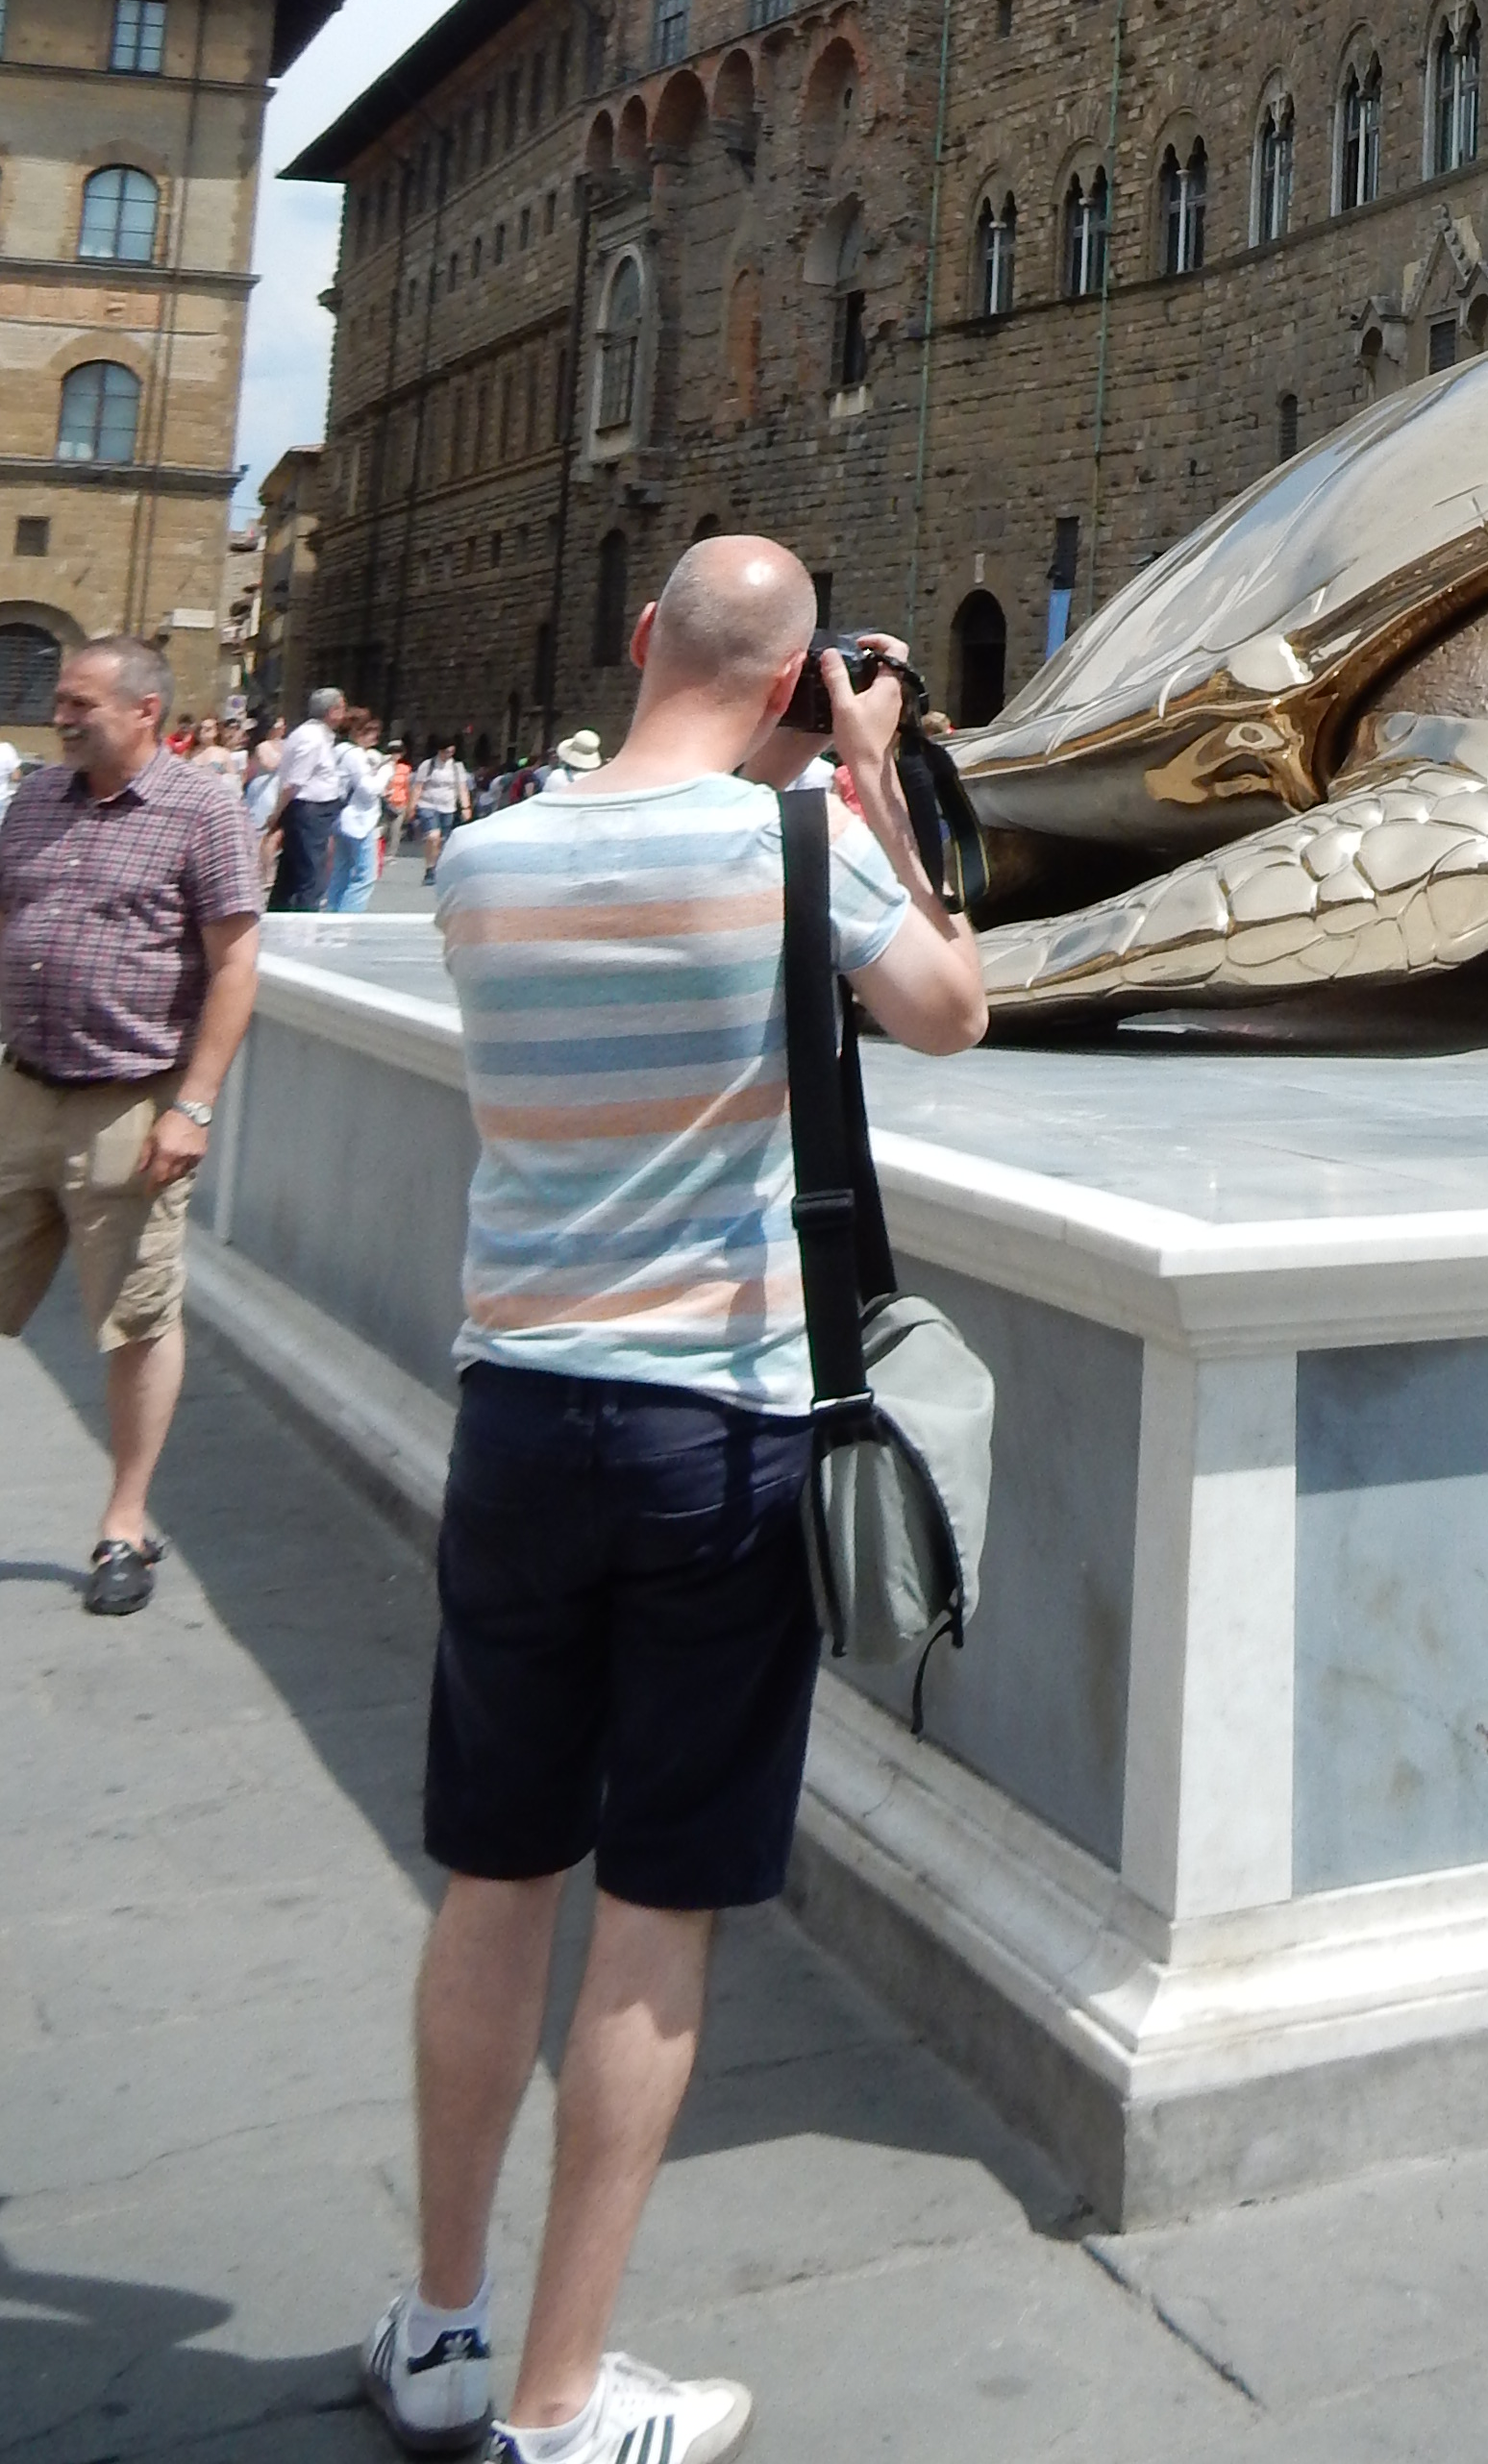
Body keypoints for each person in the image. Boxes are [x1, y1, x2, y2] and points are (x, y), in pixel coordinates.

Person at [364, 537, 987, 2464]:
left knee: (496, 1876)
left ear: (639, 637)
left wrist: (789, 752)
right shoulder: (801, 850)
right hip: (716, 1436)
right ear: (800, 675)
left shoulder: (482, 862)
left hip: (519, 1417)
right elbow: (952, 1009)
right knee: (657, 1907)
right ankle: (562, 2402)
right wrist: (865, 773)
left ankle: (441, 2328)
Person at [0, 635, 263, 1612]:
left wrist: (193, 1106)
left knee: (136, 1322)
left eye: (81, 704)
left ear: (145, 710)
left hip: (131, 1107)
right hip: (18, 1091)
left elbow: (235, 965)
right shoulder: (34, 799)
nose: (61, 717)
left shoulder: (203, 810)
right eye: (60, 700)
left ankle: (123, 1527)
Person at [270, 686, 349, 908]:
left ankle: (280, 914)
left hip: (312, 810)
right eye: (342, 708)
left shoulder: (316, 735)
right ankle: (305, 919)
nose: (345, 714)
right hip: (310, 811)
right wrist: (276, 814)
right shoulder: (312, 738)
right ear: (332, 711)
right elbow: (294, 782)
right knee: (311, 875)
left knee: (292, 872)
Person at [327, 711, 391, 911]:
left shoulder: (339, 750)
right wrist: (386, 772)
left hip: (341, 817)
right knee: (365, 876)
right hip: (359, 820)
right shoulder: (355, 754)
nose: (375, 738)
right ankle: (348, 918)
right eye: (371, 732)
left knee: (341, 871)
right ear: (358, 731)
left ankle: (332, 914)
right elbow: (368, 789)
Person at [411, 742, 473, 880]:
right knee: (433, 836)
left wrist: (466, 807)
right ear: (440, 751)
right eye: (446, 751)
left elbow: (462, 788)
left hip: (448, 806)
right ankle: (429, 868)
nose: (449, 755)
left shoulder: (457, 767)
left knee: (442, 840)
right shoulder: (428, 765)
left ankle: (437, 866)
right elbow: (418, 787)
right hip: (427, 804)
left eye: (452, 752)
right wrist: (412, 807)